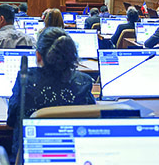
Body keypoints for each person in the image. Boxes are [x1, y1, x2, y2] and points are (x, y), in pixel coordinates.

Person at [7, 27, 95, 157]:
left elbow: (11, 119)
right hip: (74, 158)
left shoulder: (26, 80)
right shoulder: (84, 82)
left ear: (38, 55)